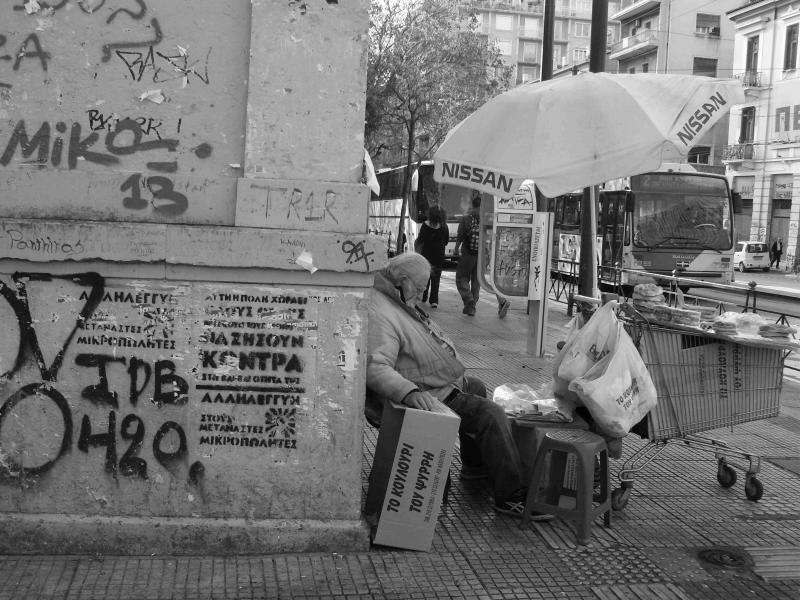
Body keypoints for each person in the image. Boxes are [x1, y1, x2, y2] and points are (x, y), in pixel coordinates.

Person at [366, 253, 551, 519]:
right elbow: (376, 366)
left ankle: (474, 467)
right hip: (425, 392)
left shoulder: (394, 297)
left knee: (475, 386)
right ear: (402, 280)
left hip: (432, 383)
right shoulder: (381, 310)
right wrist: (409, 393)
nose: (420, 294)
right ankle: (510, 496)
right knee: (489, 414)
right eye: (419, 289)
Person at [455, 193, 510, 318]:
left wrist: (456, 249)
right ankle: (472, 306)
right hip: (483, 255)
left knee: (461, 277)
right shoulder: (487, 218)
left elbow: (460, 236)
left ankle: (468, 299)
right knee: (477, 281)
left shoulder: (466, 218)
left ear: (472, 205)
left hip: (468, 253)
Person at [414, 205, 449, 308]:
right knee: (436, 278)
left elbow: (420, 239)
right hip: (439, 255)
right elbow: (446, 241)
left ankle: (424, 296)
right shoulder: (444, 226)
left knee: (426, 275)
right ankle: (434, 301)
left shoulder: (425, 225)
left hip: (426, 254)